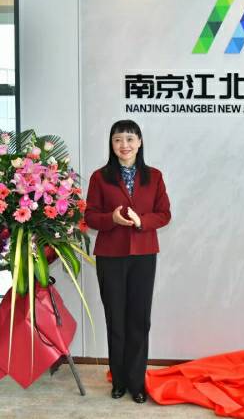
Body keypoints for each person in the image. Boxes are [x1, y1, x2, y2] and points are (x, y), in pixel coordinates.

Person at [85, 119, 171, 404]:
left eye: (130, 139)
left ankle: (137, 382)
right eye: (118, 139)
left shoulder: (154, 176)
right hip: (110, 256)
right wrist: (111, 218)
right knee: (116, 319)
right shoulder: (100, 177)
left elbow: (164, 214)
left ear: (140, 142)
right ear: (111, 144)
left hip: (144, 256)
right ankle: (119, 381)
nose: (124, 145)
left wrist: (141, 221)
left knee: (139, 319)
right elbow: (90, 216)